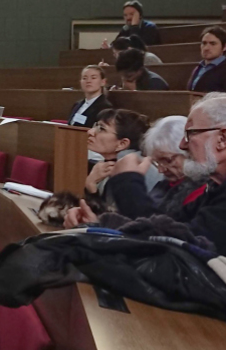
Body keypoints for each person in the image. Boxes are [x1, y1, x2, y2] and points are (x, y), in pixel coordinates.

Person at [64, 93, 226, 252]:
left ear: (222, 139)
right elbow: (171, 227)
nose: (182, 145)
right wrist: (98, 224)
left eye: (190, 133)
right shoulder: (213, 188)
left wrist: (127, 183)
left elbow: (177, 247)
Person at [140, 115, 206, 214]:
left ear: (190, 152)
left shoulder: (204, 191)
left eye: (167, 160)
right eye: (156, 162)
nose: (160, 170)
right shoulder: (164, 185)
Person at [84, 109, 151, 199]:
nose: (90, 132)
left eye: (102, 129)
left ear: (122, 144)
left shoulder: (131, 170)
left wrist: (90, 185)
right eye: (96, 125)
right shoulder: (110, 162)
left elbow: (117, 207)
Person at [188, 26, 226, 93]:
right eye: (204, 43)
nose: (206, 48)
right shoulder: (198, 68)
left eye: (213, 44)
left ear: (224, 47)